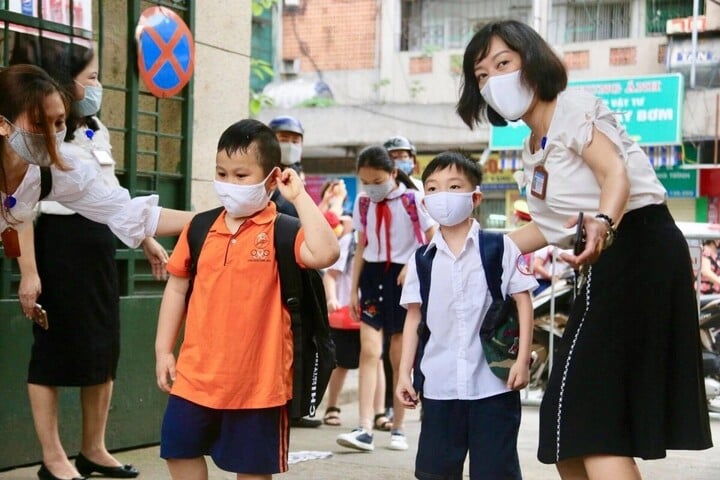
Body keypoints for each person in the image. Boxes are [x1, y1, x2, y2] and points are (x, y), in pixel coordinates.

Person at [457, 19, 712, 478]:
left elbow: (615, 173)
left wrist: (604, 223)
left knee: (591, 421)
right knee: (564, 429)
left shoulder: (571, 108)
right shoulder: (533, 146)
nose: (493, 80)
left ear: (533, 62)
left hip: (636, 248)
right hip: (600, 260)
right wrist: (460, 253)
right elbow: (548, 227)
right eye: (481, 76)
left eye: (503, 63)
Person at [9, 36, 166, 480]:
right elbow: (20, 208)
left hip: (100, 242)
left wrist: (147, 237)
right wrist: (29, 272)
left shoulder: (94, 126)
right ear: (64, 81)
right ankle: (53, 458)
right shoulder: (33, 133)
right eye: (91, 77)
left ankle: (93, 449)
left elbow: (112, 195)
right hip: (57, 243)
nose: (98, 85)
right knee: (53, 350)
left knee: (104, 346)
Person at [154, 119, 339, 480]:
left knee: (252, 471)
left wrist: (298, 196)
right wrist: (163, 350)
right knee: (178, 450)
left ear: (271, 179)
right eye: (221, 173)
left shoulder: (282, 230)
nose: (229, 184)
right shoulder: (200, 227)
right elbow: (177, 287)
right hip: (196, 378)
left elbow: (326, 252)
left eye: (241, 175)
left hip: (259, 385)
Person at [396, 151, 537, 479]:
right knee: (436, 472)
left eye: (453, 186)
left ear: (475, 198)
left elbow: (523, 301)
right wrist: (405, 373)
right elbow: (414, 318)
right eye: (431, 188)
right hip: (440, 388)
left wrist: (520, 363)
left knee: (495, 472)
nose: (441, 195)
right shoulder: (422, 260)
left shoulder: (500, 247)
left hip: (493, 386)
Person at [0, 64, 193, 256]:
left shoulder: (54, 172)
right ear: (3, 124)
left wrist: (208, 220)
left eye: (59, 122)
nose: (52, 135)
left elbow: (127, 212)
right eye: (39, 123)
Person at [336, 145, 436, 452]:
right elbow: (362, 245)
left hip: (405, 279)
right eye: (365, 181)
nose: (371, 187)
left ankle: (399, 427)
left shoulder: (413, 199)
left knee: (397, 357)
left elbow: (433, 240)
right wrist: (353, 290)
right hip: (373, 276)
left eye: (377, 180)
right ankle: (364, 427)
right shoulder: (364, 202)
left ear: (393, 174)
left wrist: (411, 265)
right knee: (369, 350)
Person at [319, 191, 388, 429]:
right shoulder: (350, 242)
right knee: (343, 363)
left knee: (377, 361)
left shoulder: (388, 241)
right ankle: (332, 406)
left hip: (375, 312)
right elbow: (331, 275)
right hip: (348, 315)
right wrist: (332, 300)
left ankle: (379, 414)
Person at [268, 115, 304, 218]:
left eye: (295, 141)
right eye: (284, 140)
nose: (290, 146)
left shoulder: (298, 176)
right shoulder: (262, 174)